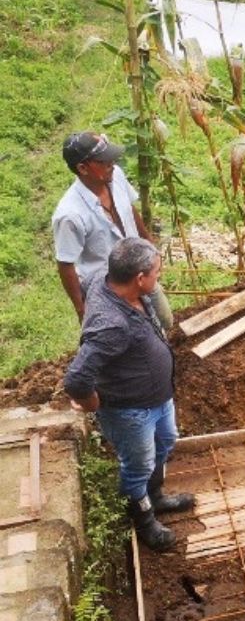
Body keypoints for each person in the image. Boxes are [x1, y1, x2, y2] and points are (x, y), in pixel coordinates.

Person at [64, 238, 193, 552]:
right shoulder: (111, 326)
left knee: (166, 441)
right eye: (157, 274)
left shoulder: (103, 279)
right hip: (131, 410)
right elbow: (77, 379)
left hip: (157, 399)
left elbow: (84, 289)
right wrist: (94, 403)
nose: (159, 278)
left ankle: (157, 496)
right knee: (138, 465)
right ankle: (145, 521)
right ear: (139, 278)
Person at [52, 131, 173, 329]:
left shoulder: (115, 175)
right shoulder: (70, 215)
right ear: (83, 168)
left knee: (164, 321)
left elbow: (129, 209)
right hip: (108, 289)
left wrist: (149, 243)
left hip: (141, 270)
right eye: (103, 160)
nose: (112, 162)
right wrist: (82, 309)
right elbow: (66, 264)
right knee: (131, 335)